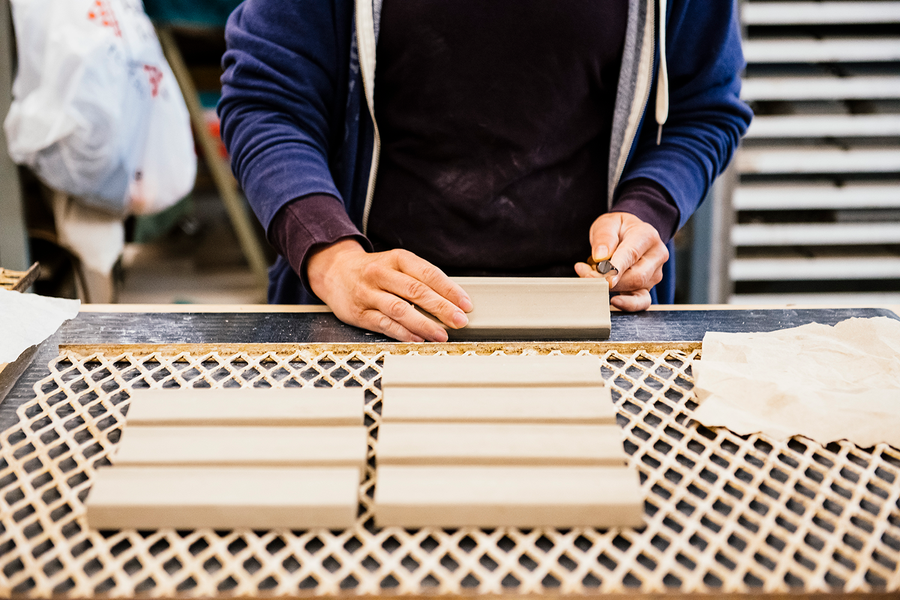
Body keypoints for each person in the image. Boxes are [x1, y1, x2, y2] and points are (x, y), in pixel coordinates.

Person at [218, 0, 752, 342]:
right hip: (363, 317)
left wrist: (646, 211)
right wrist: (332, 258)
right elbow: (267, 104)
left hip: (597, 321)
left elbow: (702, 109)